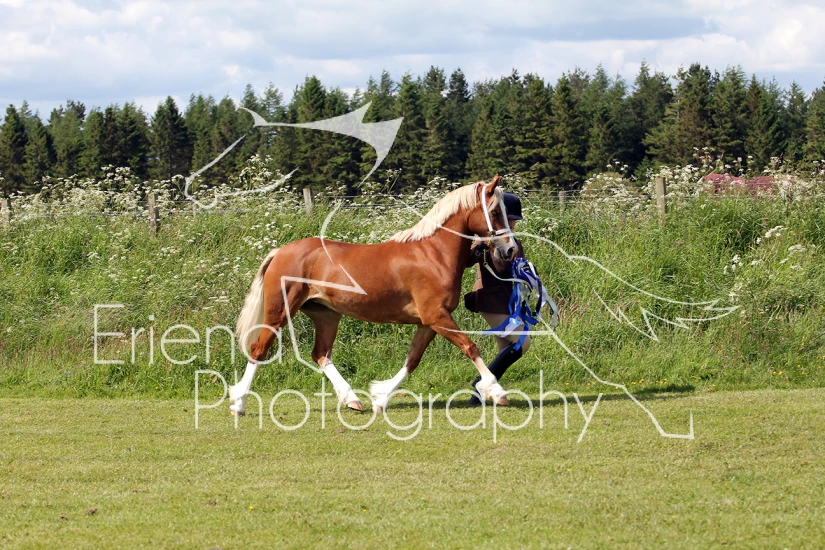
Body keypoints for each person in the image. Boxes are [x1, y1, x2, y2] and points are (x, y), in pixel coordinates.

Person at [463, 192, 529, 406]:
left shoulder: (514, 241)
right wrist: (482, 246)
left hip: (507, 299)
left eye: (514, 220)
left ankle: (479, 397)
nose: (512, 224)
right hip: (490, 298)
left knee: (506, 349)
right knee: (521, 341)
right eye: (509, 219)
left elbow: (518, 269)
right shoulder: (486, 240)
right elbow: (468, 260)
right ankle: (480, 385)